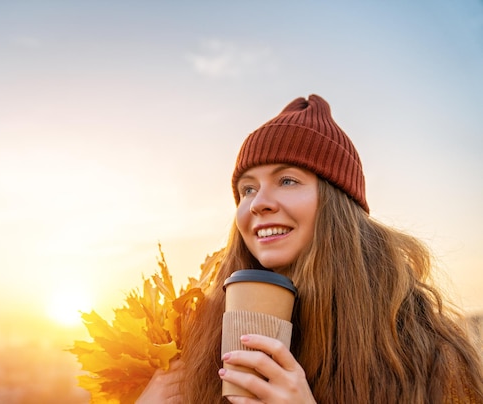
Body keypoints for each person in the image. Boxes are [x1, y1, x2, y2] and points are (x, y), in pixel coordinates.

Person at [136, 94, 483, 403]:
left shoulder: (423, 352)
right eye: (247, 189)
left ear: (337, 205)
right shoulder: (196, 340)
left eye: (287, 180)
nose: (259, 203)